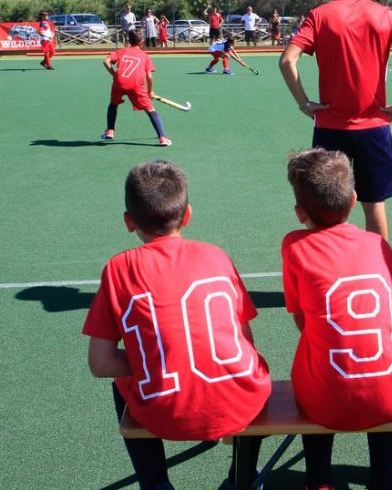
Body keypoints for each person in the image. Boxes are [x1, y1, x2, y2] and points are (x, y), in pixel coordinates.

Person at [82, 160, 270, 490]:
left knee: (120, 382)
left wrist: (152, 359)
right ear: (187, 215)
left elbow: (100, 364)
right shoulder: (216, 255)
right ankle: (242, 478)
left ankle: (155, 483)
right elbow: (245, 340)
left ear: (129, 222)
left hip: (164, 411)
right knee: (254, 370)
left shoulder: (119, 268)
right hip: (240, 401)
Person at [282, 148, 392, 490]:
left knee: (314, 365)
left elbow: (303, 322)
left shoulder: (295, 246)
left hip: (325, 399)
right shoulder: (377, 244)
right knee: (387, 380)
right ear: (354, 199)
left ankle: (319, 480)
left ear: (300, 213)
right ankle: (382, 480)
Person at [279, 0, 392, 240]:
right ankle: (378, 274)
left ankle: (331, 274)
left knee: (326, 208)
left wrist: (304, 103)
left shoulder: (319, 16)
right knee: (374, 206)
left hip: (330, 127)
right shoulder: (383, 14)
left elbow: (287, 60)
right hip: (374, 126)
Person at [101, 31, 172, 146]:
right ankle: (163, 138)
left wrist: (114, 75)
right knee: (150, 110)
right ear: (142, 42)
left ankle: (110, 131)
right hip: (136, 85)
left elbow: (106, 61)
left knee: (113, 104)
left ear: (129, 41)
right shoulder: (145, 56)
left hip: (119, 82)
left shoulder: (122, 51)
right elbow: (149, 76)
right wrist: (150, 91)